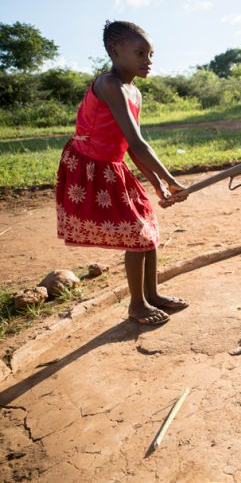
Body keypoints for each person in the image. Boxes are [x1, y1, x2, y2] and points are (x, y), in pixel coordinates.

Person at [56, 20, 188, 325]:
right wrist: (171, 179)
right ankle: (137, 304)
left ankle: (152, 294)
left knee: (148, 230)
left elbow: (131, 145)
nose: (148, 60)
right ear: (115, 51)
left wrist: (157, 184)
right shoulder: (108, 85)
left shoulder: (134, 93)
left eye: (151, 54)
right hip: (91, 167)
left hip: (115, 166)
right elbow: (139, 143)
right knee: (135, 236)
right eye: (140, 53)